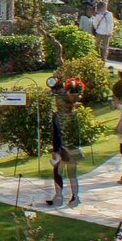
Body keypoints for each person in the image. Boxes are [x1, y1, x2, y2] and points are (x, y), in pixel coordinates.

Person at [46, 78, 82, 208]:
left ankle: (59, 196)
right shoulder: (73, 114)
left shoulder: (57, 116)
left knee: (58, 172)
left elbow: (57, 134)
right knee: (72, 173)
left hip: (62, 147)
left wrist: (56, 150)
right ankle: (75, 197)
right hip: (73, 146)